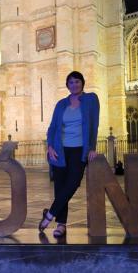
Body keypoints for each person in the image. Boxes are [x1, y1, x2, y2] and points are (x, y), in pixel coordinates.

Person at [39, 71, 100, 238]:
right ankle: (61, 225)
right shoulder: (61, 104)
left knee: (73, 183)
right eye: (71, 82)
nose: (74, 85)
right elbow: (52, 128)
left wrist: (92, 147)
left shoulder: (90, 100)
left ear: (82, 83)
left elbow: (94, 125)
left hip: (79, 150)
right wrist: (50, 146)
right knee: (60, 188)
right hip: (60, 151)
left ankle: (50, 214)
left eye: (77, 81)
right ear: (67, 85)